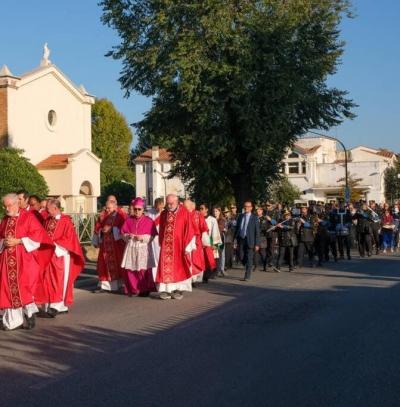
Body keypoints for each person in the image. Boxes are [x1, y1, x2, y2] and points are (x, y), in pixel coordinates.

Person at [0, 193, 53, 330]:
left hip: (24, 260)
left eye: (9, 205)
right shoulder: (5, 220)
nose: (7, 209)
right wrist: (3, 241)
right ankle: (13, 321)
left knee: (24, 288)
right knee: (8, 289)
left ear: (17, 203)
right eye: (4, 206)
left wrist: (18, 241)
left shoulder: (28, 217)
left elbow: (37, 237)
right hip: (7, 261)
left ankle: (29, 314)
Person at [36, 199, 85, 317]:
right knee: (48, 280)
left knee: (59, 280)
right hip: (48, 255)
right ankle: (53, 306)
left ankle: (57, 305)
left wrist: (54, 244)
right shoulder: (48, 220)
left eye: (48, 209)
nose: (46, 211)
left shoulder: (66, 221)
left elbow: (69, 239)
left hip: (60, 255)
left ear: (55, 208)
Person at [156, 194, 195, 300]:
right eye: (167, 204)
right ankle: (165, 290)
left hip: (180, 246)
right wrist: (161, 241)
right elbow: (161, 229)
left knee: (179, 268)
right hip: (166, 246)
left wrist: (188, 246)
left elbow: (190, 229)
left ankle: (178, 289)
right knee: (165, 267)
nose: (169, 206)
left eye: (171, 203)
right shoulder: (164, 213)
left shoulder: (184, 212)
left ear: (177, 201)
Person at [121, 198, 157, 297]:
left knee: (143, 270)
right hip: (131, 247)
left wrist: (142, 238)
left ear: (143, 210)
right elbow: (123, 233)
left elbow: (152, 236)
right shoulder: (128, 220)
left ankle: (145, 289)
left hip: (143, 248)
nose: (137, 211)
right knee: (131, 269)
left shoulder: (149, 221)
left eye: (139, 209)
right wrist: (128, 236)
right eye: (135, 209)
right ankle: (134, 289)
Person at [93, 198, 126, 293]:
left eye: (109, 208)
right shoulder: (104, 216)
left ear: (115, 207)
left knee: (116, 264)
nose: (107, 210)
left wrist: (112, 230)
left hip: (116, 245)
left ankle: (117, 285)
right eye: (106, 208)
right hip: (105, 244)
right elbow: (99, 227)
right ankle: (104, 286)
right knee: (103, 264)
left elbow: (123, 229)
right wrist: (101, 232)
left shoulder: (120, 216)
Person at [184, 200, 209, 285]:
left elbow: (203, 228)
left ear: (192, 206)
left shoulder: (198, 215)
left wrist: (206, 242)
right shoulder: (182, 214)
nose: (184, 208)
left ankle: (194, 279)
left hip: (195, 241)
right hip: (184, 241)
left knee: (195, 260)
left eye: (185, 206)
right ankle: (186, 278)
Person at [234, 201, 260, 281]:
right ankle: (247, 264)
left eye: (248, 206)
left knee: (249, 258)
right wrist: (234, 240)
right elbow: (237, 228)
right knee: (241, 256)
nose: (246, 208)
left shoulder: (254, 217)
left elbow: (257, 231)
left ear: (251, 208)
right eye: (245, 206)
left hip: (250, 240)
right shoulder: (240, 216)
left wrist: (257, 244)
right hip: (241, 239)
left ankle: (247, 275)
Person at [200, 203, 221, 282]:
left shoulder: (212, 219)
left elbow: (215, 232)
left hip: (209, 243)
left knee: (208, 260)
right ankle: (201, 276)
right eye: (200, 208)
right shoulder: (197, 217)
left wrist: (215, 244)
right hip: (199, 243)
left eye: (202, 208)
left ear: (206, 209)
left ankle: (206, 276)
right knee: (201, 260)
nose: (200, 210)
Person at [147, 197, 165, 282]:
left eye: (160, 206)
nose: (158, 208)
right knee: (152, 256)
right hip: (151, 237)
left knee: (160, 256)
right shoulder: (150, 213)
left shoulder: (165, 213)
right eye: (157, 206)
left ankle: (160, 275)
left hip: (161, 237)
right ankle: (153, 277)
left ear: (163, 205)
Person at [213, 207, 227, 277]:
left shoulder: (222, 220)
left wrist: (213, 226)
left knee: (220, 254)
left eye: (216, 211)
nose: (215, 213)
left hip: (219, 238)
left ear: (219, 212)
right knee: (215, 254)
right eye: (214, 211)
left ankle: (219, 269)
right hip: (213, 238)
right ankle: (215, 269)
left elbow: (220, 228)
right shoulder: (212, 219)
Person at [254, 206, 268, 271]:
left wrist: (257, 229)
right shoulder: (254, 218)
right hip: (255, 237)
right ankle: (256, 266)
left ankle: (265, 266)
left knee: (262, 252)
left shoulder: (264, 219)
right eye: (257, 210)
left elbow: (264, 227)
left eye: (259, 211)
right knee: (256, 252)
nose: (257, 212)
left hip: (262, 237)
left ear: (262, 211)